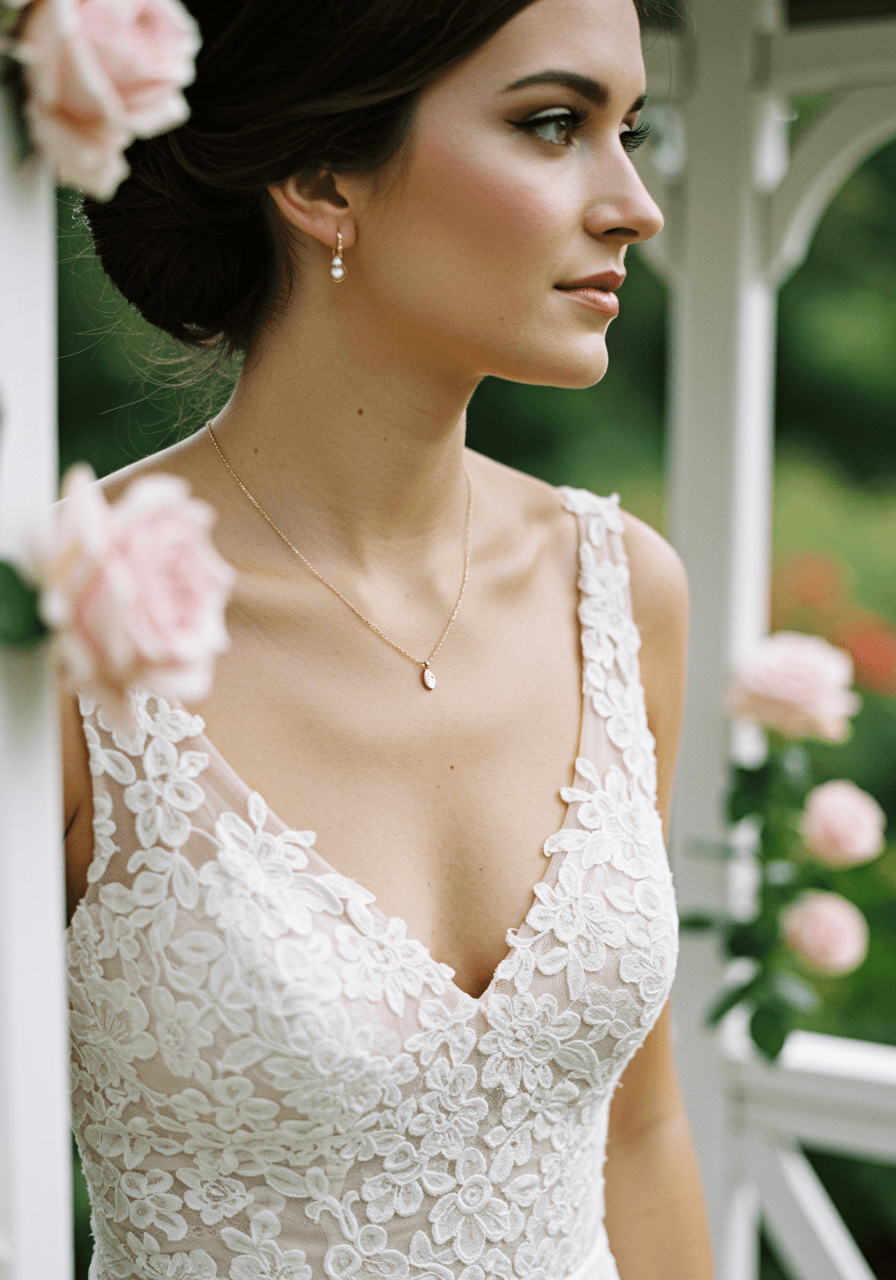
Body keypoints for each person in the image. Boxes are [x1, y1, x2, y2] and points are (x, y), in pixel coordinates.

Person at [61, 0, 714, 1275]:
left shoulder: (622, 592)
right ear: (321, 180)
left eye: (629, 131)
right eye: (552, 124)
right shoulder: (70, 629)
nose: (633, 205)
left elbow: (637, 1135)